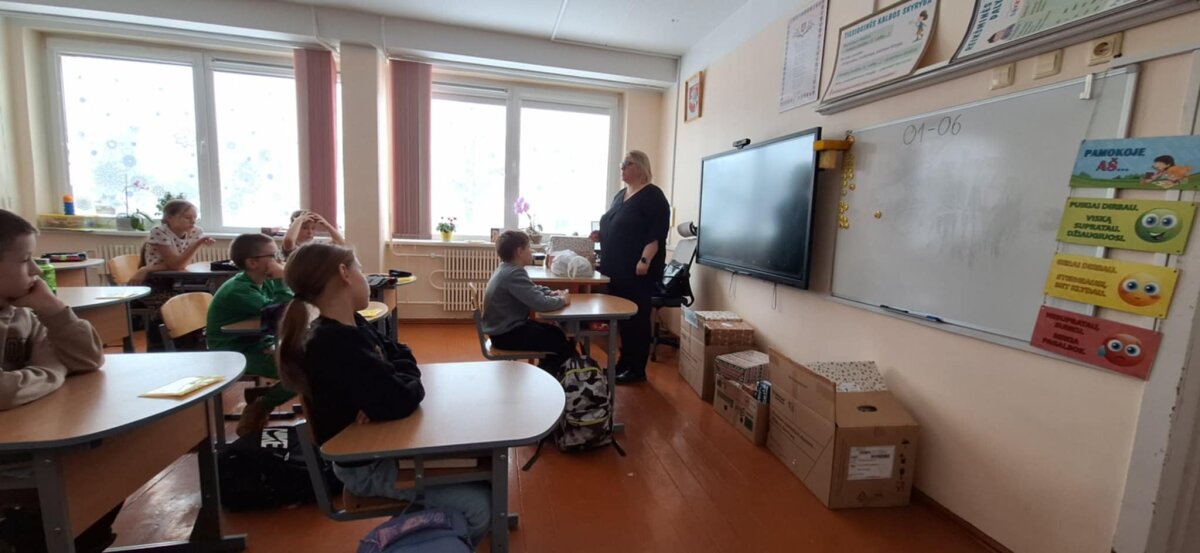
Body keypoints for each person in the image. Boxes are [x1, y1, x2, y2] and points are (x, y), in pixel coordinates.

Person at [274, 243, 491, 543]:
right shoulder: (335, 344)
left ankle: (424, 526)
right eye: (361, 270)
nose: (365, 277)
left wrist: (392, 380)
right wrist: (397, 381)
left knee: (485, 467)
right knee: (480, 507)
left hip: (380, 446)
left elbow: (400, 354)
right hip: (369, 466)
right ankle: (409, 540)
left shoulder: (352, 323)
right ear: (344, 274)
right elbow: (404, 397)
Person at [0, 209, 118, 553]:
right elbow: (4, 391)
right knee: (88, 473)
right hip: (13, 447)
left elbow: (88, 359)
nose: (36, 271)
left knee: (111, 460)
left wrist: (52, 308)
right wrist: (52, 370)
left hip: (23, 436)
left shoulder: (21, 311)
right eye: (25, 260)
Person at [591, 150, 670, 384]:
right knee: (622, 319)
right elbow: (616, 225)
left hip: (636, 271)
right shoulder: (621, 195)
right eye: (622, 164)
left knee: (636, 319)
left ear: (640, 167)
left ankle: (636, 369)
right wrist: (600, 234)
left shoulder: (653, 196)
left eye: (628, 164)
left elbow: (656, 234)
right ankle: (623, 363)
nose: (622, 168)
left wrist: (644, 260)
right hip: (615, 268)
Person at [205, 233, 295, 437]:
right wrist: (282, 279)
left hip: (260, 343)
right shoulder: (238, 290)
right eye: (273, 256)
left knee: (312, 361)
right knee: (302, 371)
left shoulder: (266, 282)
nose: (279, 260)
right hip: (234, 352)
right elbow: (285, 314)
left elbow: (295, 305)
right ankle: (262, 404)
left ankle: (263, 396)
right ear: (252, 263)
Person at [482, 230, 572, 374]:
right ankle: (548, 378)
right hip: (506, 335)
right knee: (561, 343)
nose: (532, 251)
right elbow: (540, 304)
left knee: (557, 333)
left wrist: (550, 292)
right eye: (529, 247)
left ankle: (547, 372)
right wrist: (562, 300)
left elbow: (530, 289)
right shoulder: (514, 273)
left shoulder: (507, 268)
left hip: (503, 330)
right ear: (519, 252)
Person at [131, 199, 215, 284]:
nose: (193, 221)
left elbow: (179, 266)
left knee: (212, 281)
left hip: (176, 275)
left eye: (195, 218)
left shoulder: (195, 231)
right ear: (170, 218)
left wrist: (146, 269)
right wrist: (197, 243)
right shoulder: (159, 232)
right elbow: (176, 265)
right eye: (187, 217)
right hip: (157, 279)